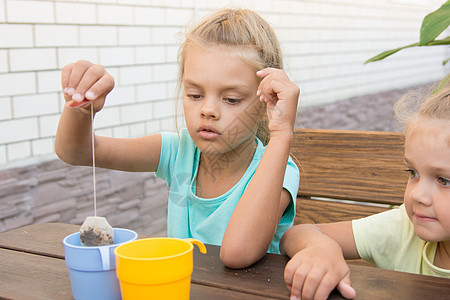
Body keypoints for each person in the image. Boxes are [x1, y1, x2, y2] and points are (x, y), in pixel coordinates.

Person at [55, 8, 300, 269]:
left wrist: (282, 133)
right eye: (195, 94)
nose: (208, 110)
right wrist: (81, 109)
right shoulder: (178, 151)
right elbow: (77, 152)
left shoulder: (280, 170)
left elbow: (237, 254)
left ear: (267, 105)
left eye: (231, 99)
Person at [280, 83, 450, 300]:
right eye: (413, 172)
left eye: (444, 180)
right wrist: (321, 248)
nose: (417, 195)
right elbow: (296, 234)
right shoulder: (402, 230)